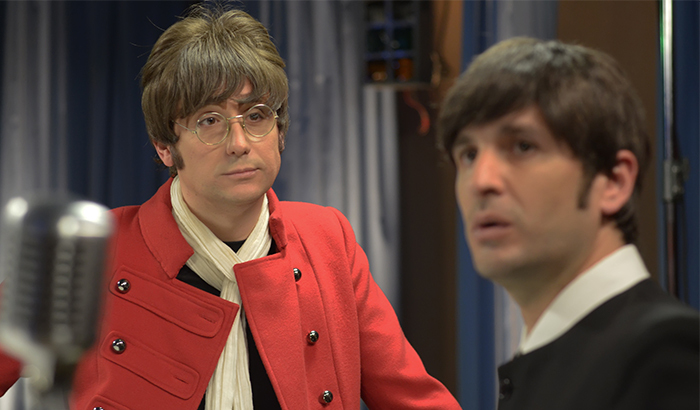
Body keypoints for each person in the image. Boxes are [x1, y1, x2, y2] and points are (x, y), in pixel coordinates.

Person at [0, 5, 461, 410]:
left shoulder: (326, 240)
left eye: (256, 115)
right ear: (164, 146)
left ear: (280, 130)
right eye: (209, 121)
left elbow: (413, 397)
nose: (239, 142)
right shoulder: (91, 249)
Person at [437, 37, 699, 410]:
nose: (481, 180)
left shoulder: (666, 354)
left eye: (522, 146)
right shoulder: (549, 355)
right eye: (468, 155)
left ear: (613, 181)